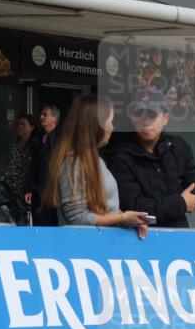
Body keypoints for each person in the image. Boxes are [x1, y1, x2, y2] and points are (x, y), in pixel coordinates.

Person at [41, 95, 150, 238]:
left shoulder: (95, 159)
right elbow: (77, 218)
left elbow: (106, 209)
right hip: (85, 249)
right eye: (110, 121)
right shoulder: (73, 163)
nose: (112, 127)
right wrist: (122, 218)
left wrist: (129, 219)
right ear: (96, 125)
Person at [105, 87, 195, 228]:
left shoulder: (180, 146)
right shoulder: (121, 156)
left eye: (152, 115)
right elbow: (134, 207)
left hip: (179, 235)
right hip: (139, 238)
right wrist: (180, 203)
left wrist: (159, 205)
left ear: (165, 118)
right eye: (140, 114)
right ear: (132, 118)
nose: (146, 121)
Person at [25, 104, 60, 226]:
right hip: (38, 190)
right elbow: (34, 165)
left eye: (45, 114)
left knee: (51, 225)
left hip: (53, 192)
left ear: (54, 118)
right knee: (38, 224)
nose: (41, 117)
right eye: (41, 114)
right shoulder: (38, 137)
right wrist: (29, 188)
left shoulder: (61, 138)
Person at [0, 114, 37, 224]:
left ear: (32, 127)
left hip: (27, 190)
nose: (19, 127)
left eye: (23, 124)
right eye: (18, 124)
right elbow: (7, 163)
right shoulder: (13, 146)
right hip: (12, 189)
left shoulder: (34, 146)